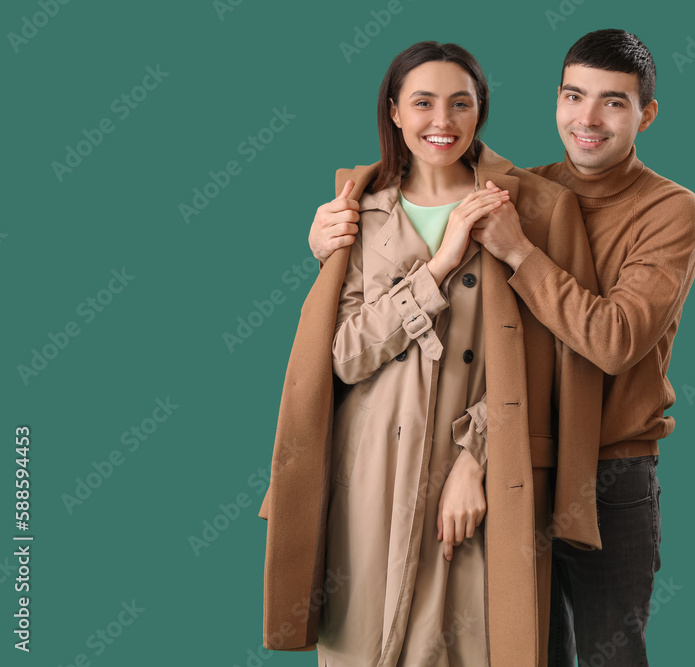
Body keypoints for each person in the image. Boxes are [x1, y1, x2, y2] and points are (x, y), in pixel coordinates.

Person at [307, 29, 695, 667]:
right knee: (527, 650)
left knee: (612, 655)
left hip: (608, 469)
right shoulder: (524, 192)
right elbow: (506, 350)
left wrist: (519, 250)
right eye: (574, 96)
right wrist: (328, 247)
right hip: (525, 461)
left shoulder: (669, 210)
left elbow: (612, 341)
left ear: (646, 114)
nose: (588, 118)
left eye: (613, 102)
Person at [259, 40, 604, 667]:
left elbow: (553, 365)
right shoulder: (356, 214)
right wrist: (440, 266)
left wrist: (476, 459)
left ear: (481, 111)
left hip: (477, 479)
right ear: (394, 111)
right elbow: (341, 356)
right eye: (422, 103)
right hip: (366, 477)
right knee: (360, 642)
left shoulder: (535, 208)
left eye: (460, 103)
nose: (441, 121)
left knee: (464, 645)